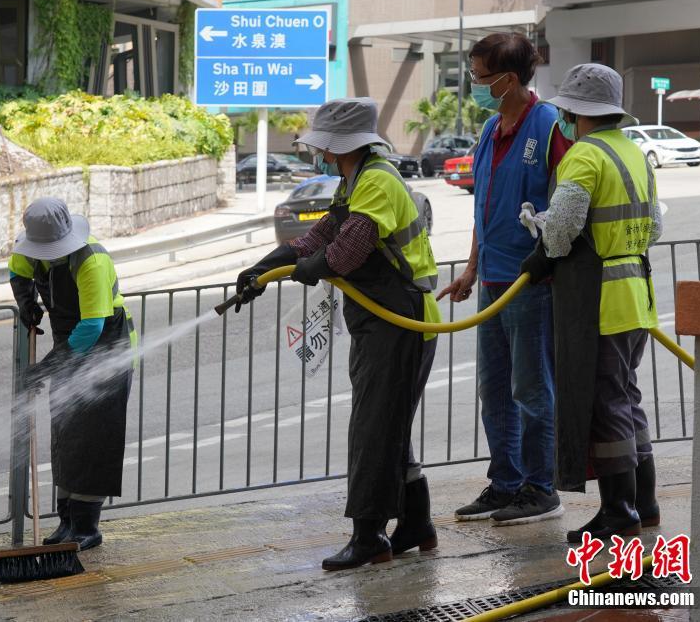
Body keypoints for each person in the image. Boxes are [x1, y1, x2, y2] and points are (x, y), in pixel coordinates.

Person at [235, 98, 443, 571]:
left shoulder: (376, 181)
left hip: (404, 318)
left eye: (323, 146)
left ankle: (368, 535)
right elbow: (322, 235)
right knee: (388, 424)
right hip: (385, 319)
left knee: (374, 427)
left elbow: (345, 251)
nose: (319, 154)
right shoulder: (355, 181)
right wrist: (263, 268)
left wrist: (307, 270)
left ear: (336, 145)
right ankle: (417, 524)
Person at [520, 63, 662, 542]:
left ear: (572, 112)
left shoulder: (583, 157)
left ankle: (619, 514)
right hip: (636, 297)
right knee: (626, 398)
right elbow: (655, 227)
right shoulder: (637, 154)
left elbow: (561, 230)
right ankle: (645, 500)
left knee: (606, 406)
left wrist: (542, 253)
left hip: (599, 302)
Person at [438, 33, 571, 526]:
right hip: (493, 280)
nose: (473, 85)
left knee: (532, 389)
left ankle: (541, 487)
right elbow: (484, 208)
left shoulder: (551, 125)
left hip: (531, 284)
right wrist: (471, 268)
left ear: (508, 79)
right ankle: (506, 482)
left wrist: (545, 262)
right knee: (494, 388)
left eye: (478, 77)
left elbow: (567, 207)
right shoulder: (491, 131)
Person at [9, 197, 137, 551]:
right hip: (68, 343)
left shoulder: (91, 260)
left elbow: (90, 327)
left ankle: (86, 527)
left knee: (94, 438)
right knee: (66, 435)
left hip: (105, 348)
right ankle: (66, 523)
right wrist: (26, 303)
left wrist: (46, 369)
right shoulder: (30, 252)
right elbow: (16, 271)